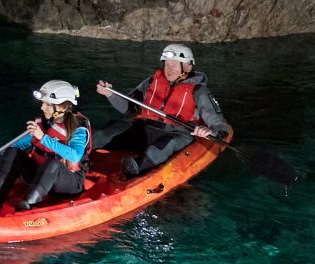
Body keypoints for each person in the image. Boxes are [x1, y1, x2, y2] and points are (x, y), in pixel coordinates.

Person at [95, 42, 225, 177]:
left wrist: (210, 131)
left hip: (175, 134)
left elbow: (220, 125)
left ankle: (135, 170)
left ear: (187, 66)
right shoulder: (152, 82)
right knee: (110, 130)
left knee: (162, 146)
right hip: (145, 128)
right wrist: (110, 94)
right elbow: (130, 109)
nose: (169, 69)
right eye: (166, 64)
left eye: (174, 65)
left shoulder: (199, 91)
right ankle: (79, 153)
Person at [0, 80, 90, 213]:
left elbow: (75, 156)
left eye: (48, 104)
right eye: (42, 103)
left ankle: (28, 206)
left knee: (54, 164)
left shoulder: (78, 129)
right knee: (13, 151)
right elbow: (17, 144)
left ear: (62, 107)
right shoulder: (43, 123)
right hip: (39, 177)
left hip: (68, 184)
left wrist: (44, 138)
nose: (42, 108)